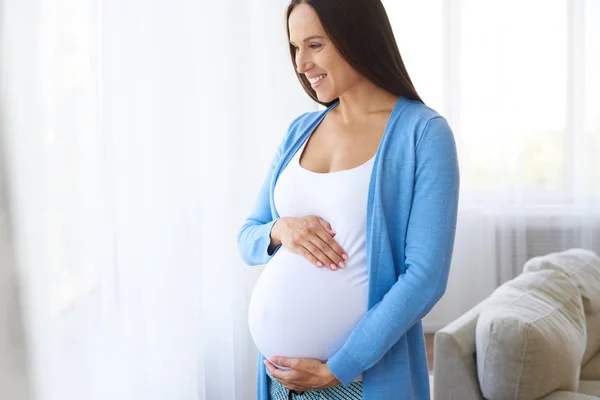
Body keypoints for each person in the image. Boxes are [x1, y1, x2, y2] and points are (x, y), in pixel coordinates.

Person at [237, 0, 460, 399]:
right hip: (279, 383)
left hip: (357, 382)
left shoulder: (423, 133)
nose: (301, 64)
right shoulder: (299, 131)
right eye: (294, 48)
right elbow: (248, 237)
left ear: (356, 36)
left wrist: (338, 369)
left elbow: (425, 278)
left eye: (314, 45)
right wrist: (281, 229)